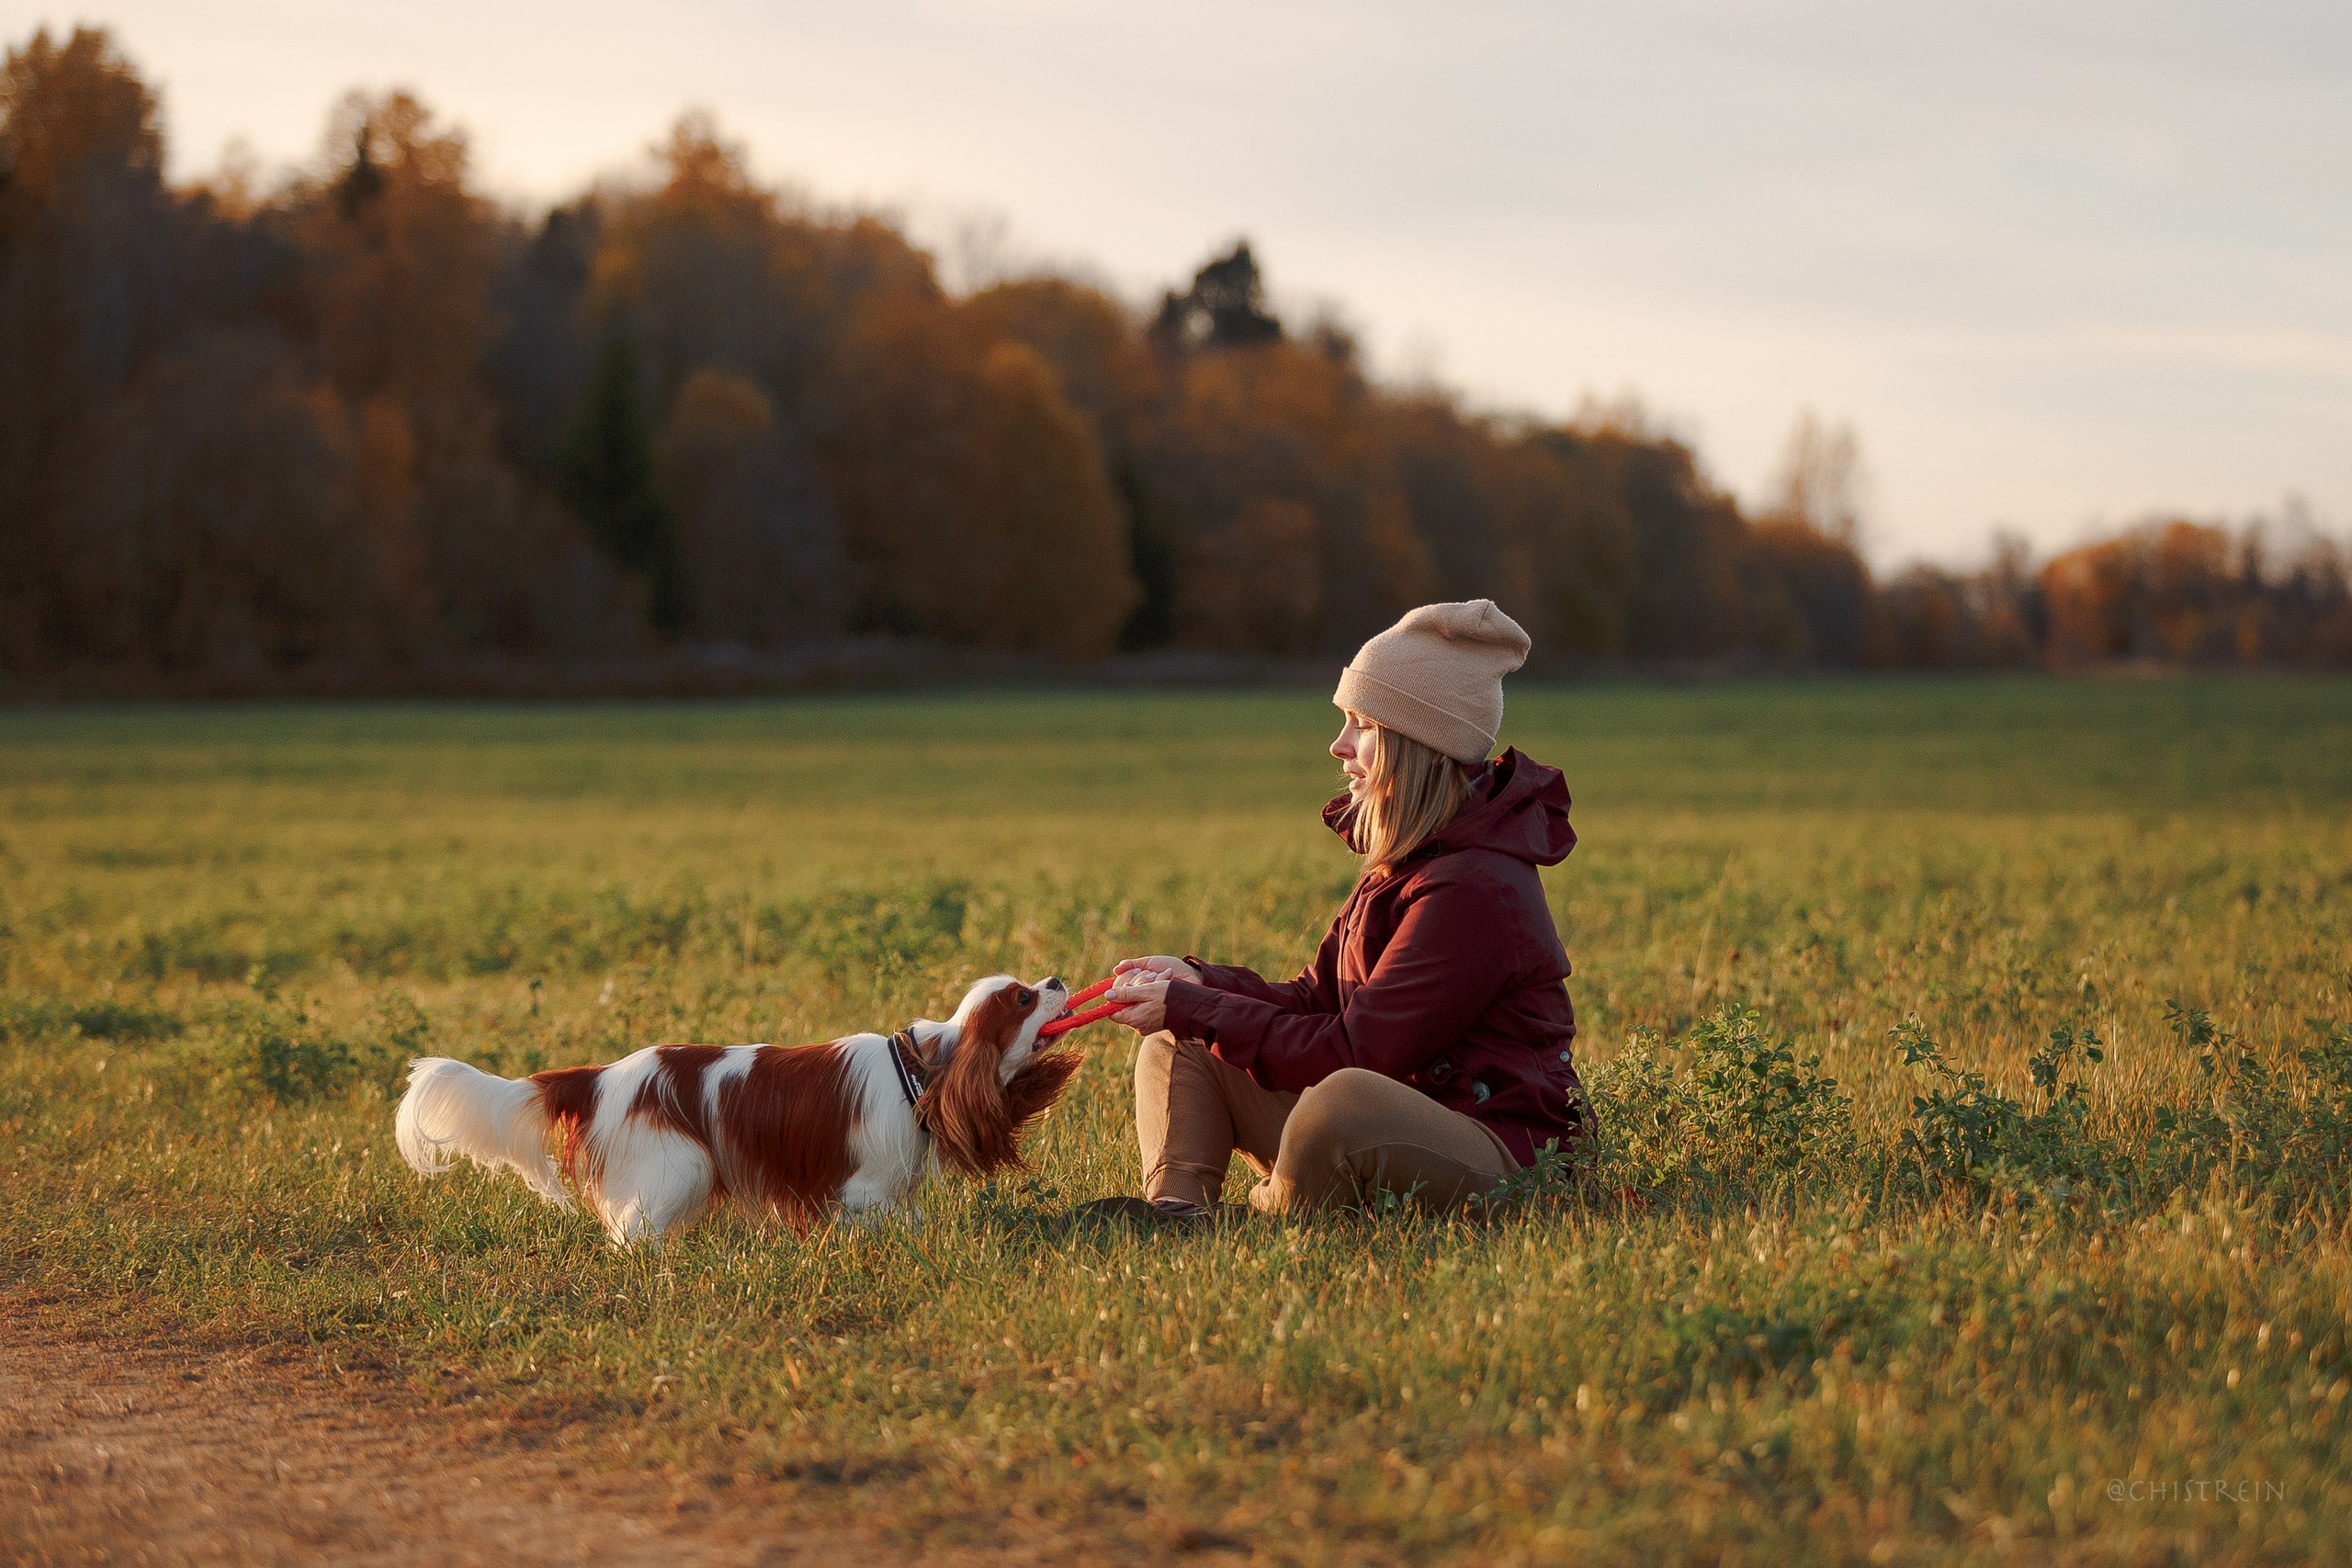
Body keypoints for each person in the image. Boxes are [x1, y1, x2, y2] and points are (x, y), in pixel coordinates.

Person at [1098, 599, 1597, 1221]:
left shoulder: (1476, 886)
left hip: (1505, 1154)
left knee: (1343, 1101)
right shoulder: (1409, 858)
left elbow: (1356, 1052)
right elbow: (1315, 1000)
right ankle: (1175, 1217)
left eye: (1361, 723)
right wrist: (1199, 985)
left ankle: (1267, 1218)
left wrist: (1200, 1003)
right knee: (1183, 1039)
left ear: (1415, 743)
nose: (1339, 746)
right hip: (1407, 1111)